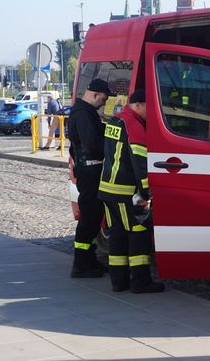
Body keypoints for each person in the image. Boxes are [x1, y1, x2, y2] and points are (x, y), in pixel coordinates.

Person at [98, 89, 165, 293]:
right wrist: (145, 193)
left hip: (107, 189)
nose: (150, 112)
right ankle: (140, 282)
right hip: (125, 191)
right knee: (138, 233)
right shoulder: (134, 125)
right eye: (148, 107)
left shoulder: (115, 120)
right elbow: (139, 162)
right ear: (138, 105)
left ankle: (118, 282)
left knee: (117, 235)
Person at [67, 78, 115, 278]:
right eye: (103, 100)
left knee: (94, 218)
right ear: (95, 95)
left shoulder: (85, 112)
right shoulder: (83, 114)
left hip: (90, 171)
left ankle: (89, 259)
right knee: (88, 218)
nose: (103, 104)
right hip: (90, 172)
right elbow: (92, 144)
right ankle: (80, 263)